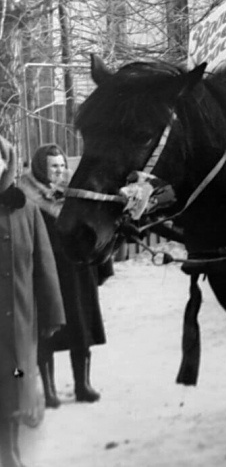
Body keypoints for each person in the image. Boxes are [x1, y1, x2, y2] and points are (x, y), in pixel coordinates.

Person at [19, 144, 111, 406]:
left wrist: (102, 266)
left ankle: (83, 385)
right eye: (53, 167)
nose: (59, 171)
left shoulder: (76, 195)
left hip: (79, 272)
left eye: (61, 165)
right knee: (47, 329)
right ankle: (49, 391)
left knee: (80, 328)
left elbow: (97, 230)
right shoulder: (27, 199)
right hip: (45, 274)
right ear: (39, 168)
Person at [0, 137, 65, 467]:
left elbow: (44, 263)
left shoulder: (25, 208)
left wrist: (52, 313)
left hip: (19, 321)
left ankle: (11, 453)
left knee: (13, 392)